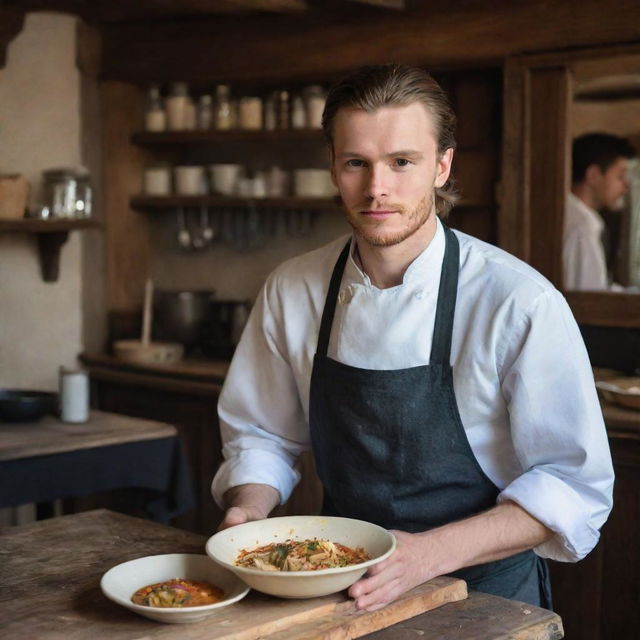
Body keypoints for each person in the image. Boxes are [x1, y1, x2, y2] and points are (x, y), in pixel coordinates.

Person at [212, 64, 614, 612]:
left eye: (402, 162)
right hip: (342, 587)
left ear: (442, 166)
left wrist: (425, 555)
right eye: (356, 163)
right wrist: (249, 513)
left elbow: (572, 484)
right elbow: (262, 434)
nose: (377, 188)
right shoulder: (293, 287)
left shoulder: (517, 300)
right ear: (333, 167)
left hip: (485, 595)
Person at [564, 132, 635, 290]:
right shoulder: (581, 228)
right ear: (593, 175)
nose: (625, 186)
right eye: (620, 176)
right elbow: (587, 298)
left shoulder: (576, 217)